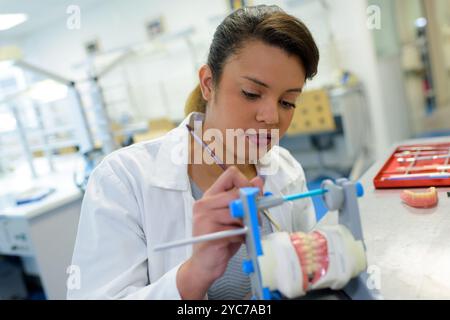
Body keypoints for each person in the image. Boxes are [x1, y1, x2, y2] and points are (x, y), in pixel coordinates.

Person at [67, 4, 319, 300]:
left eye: (287, 102)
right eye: (251, 93)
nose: (272, 117)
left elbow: (311, 274)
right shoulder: (123, 181)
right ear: (208, 84)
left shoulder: (285, 169)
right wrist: (194, 274)